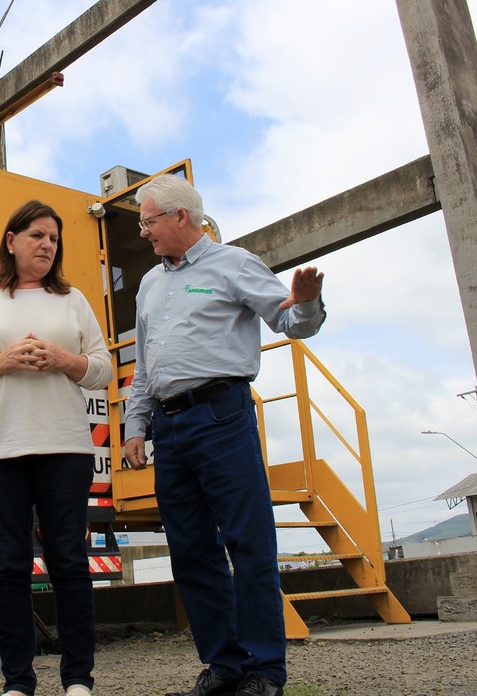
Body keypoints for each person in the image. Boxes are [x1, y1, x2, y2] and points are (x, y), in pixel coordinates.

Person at [122, 174, 325, 696]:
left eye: (148, 222)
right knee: (190, 549)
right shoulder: (149, 284)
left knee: (248, 541)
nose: (144, 232)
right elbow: (145, 365)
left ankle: (263, 672)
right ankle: (224, 667)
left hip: (220, 416)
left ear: (179, 218)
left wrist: (306, 303)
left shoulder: (233, 264)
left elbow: (291, 323)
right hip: (168, 426)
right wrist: (135, 425)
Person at [0, 200, 113, 696]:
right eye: (37, 235)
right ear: (11, 240)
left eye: (54, 239)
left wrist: (64, 359)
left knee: (69, 564)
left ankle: (78, 680)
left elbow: (101, 370)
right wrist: (2, 361)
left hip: (64, 446)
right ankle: (18, 683)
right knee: (9, 568)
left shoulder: (72, 300)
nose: (47, 245)